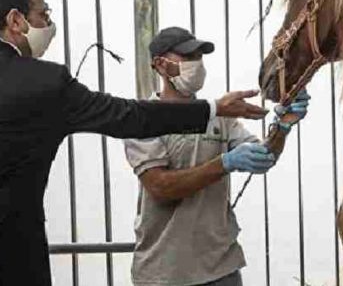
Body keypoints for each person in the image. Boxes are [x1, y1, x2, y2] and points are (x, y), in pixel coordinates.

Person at [0, 0, 269, 286]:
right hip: (6, 261)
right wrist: (212, 108)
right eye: (43, 14)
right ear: (16, 21)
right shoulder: (44, 83)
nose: (48, 24)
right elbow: (129, 116)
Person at [124, 27, 309, 286]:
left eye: (199, 57)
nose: (196, 64)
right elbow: (160, 187)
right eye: (187, 57)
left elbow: (264, 157)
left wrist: (283, 125)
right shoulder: (143, 120)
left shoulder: (219, 117)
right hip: (163, 271)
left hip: (220, 268)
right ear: (160, 65)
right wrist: (224, 163)